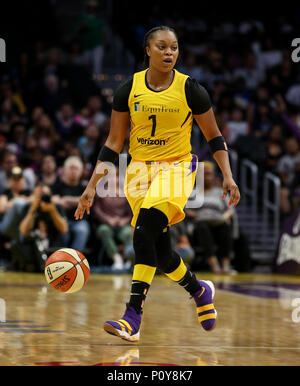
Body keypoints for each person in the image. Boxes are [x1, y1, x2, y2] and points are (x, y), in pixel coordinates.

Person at [74, 26, 240, 342]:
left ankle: (132, 316)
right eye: (162, 47)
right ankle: (200, 290)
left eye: (174, 47)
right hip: (138, 172)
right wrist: (91, 186)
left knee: (143, 230)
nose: (169, 53)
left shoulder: (192, 89)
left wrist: (228, 175)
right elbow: (113, 142)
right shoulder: (128, 88)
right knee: (161, 252)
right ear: (147, 50)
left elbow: (214, 135)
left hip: (177, 168)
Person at [186, 161, 238, 273]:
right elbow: (185, 211)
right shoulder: (193, 193)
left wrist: (224, 216)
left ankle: (225, 264)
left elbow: (230, 210)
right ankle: (213, 263)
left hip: (218, 223)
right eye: (204, 174)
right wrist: (197, 214)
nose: (207, 177)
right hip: (200, 225)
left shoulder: (220, 192)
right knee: (203, 227)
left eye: (209, 174)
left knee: (226, 227)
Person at [52, 156, 90, 251]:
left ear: (81, 172)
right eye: (71, 168)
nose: (73, 171)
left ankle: (75, 259)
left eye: (76, 168)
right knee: (62, 230)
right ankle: (62, 259)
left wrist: (64, 200)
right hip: (62, 220)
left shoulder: (85, 188)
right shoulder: (56, 186)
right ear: (65, 170)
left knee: (82, 230)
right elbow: (54, 201)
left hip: (80, 221)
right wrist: (78, 200)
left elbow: (89, 202)